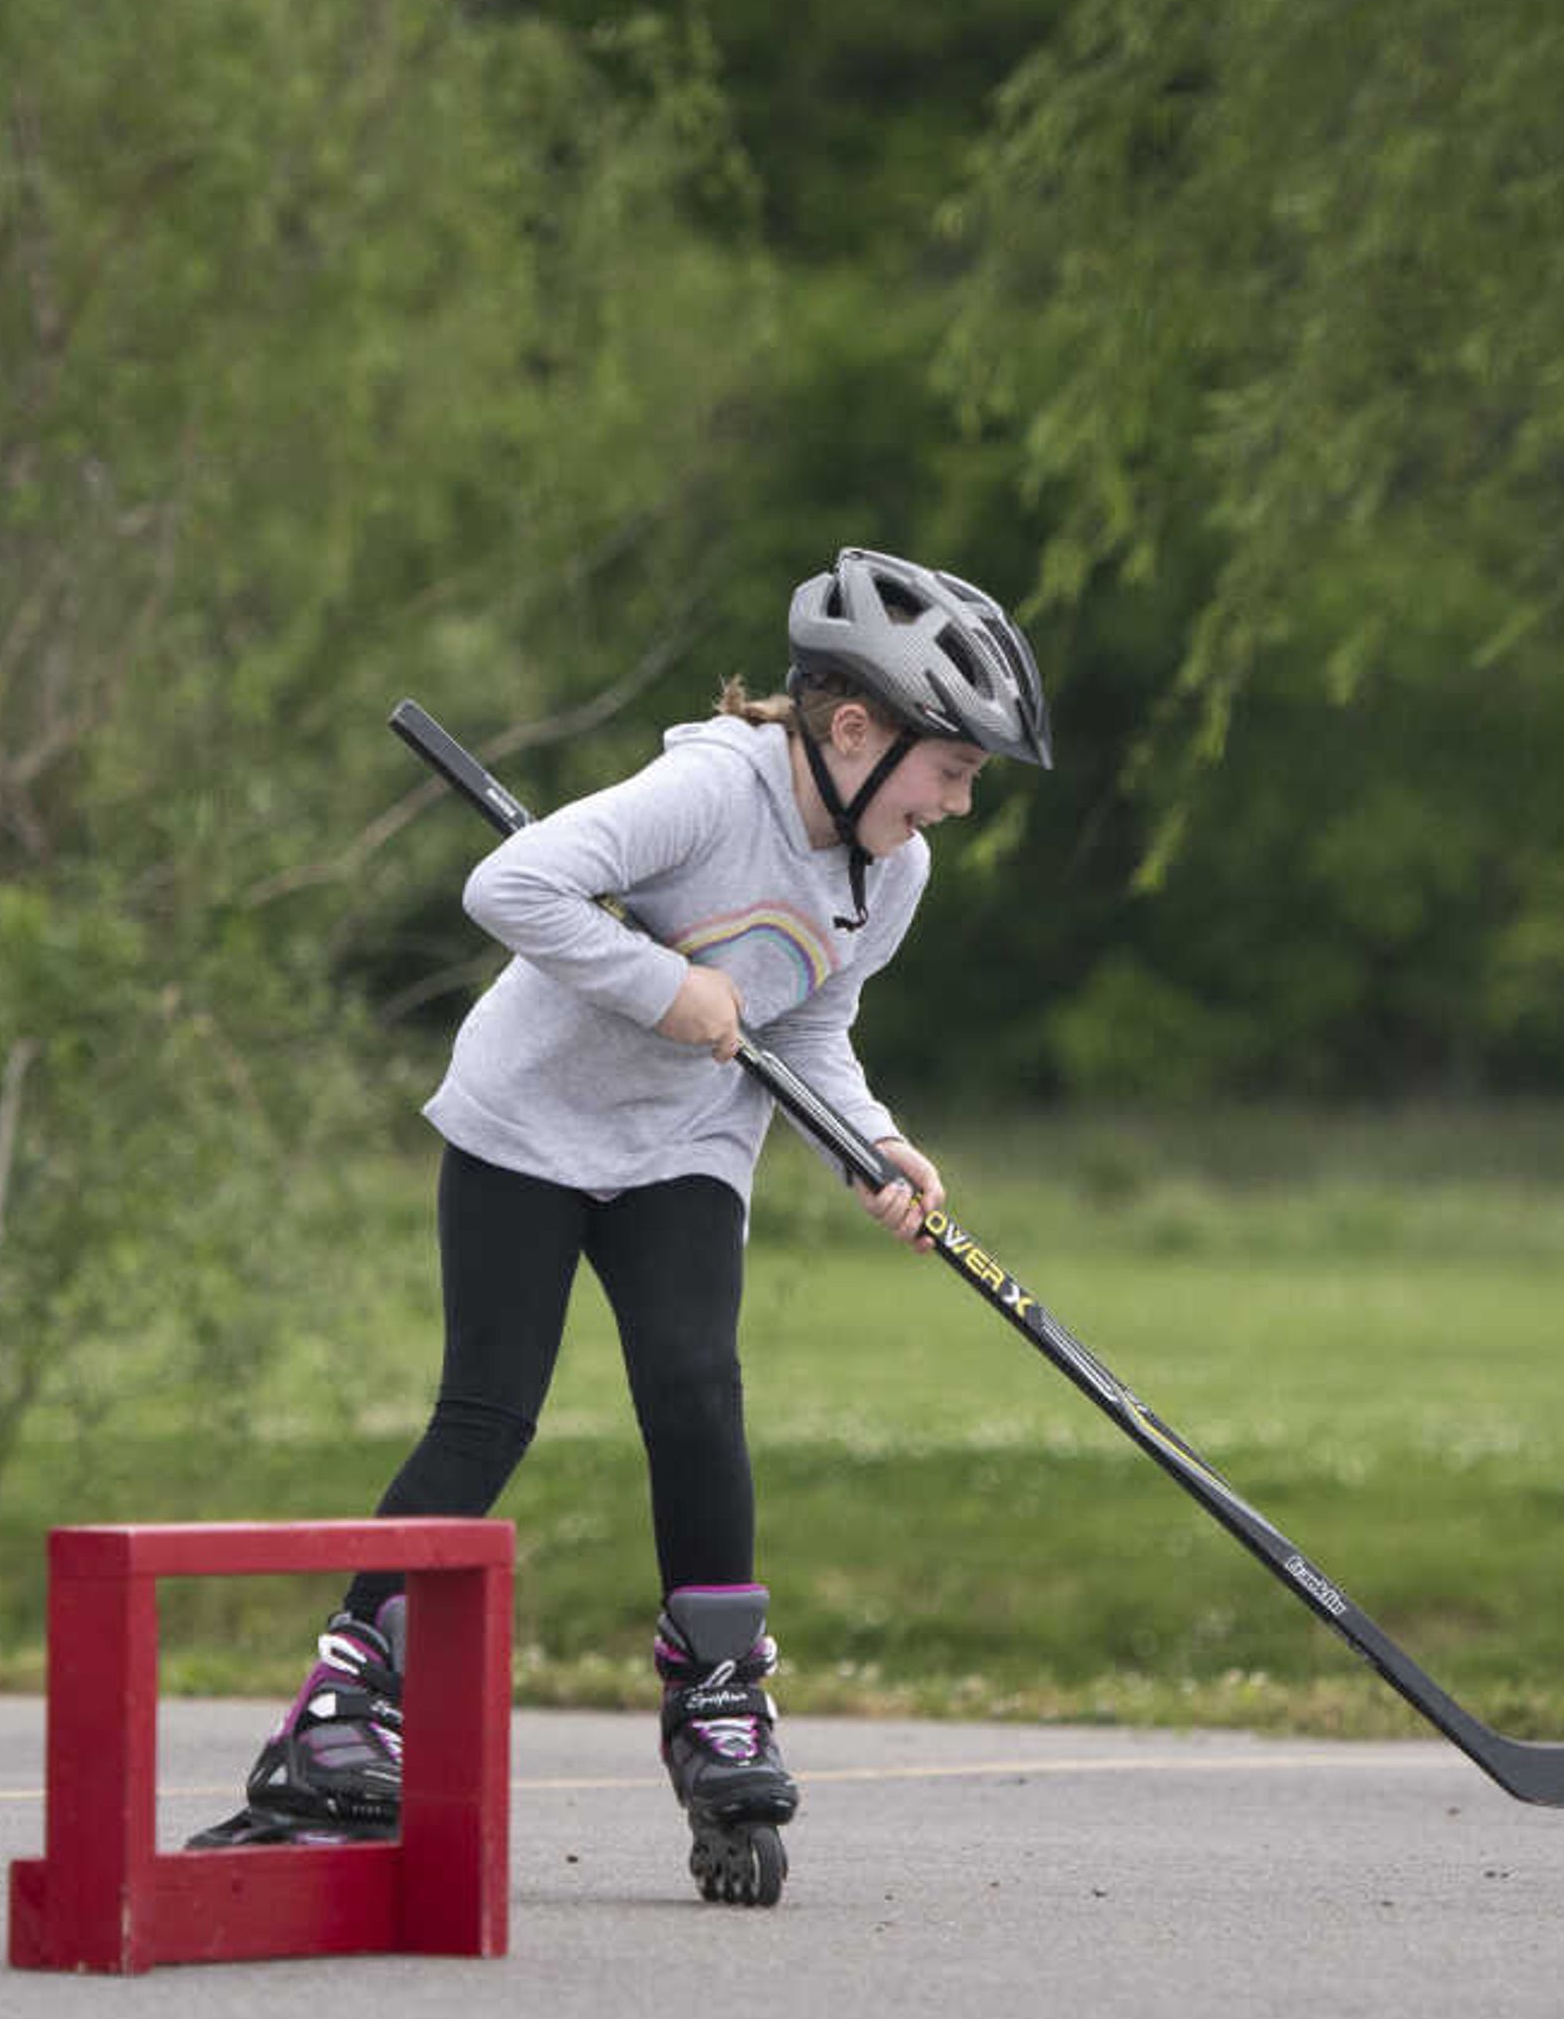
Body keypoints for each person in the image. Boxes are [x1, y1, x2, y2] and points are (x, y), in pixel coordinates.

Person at [192, 547, 1053, 1905]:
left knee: (698, 1395)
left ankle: (720, 1696)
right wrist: (665, 987)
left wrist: (870, 1141)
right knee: (490, 1413)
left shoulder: (893, 873)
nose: (958, 799)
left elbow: (812, 1020)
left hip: (685, 1149)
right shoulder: (710, 790)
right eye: (951, 766)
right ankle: (350, 1701)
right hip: (527, 1126)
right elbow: (513, 889)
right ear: (852, 730)